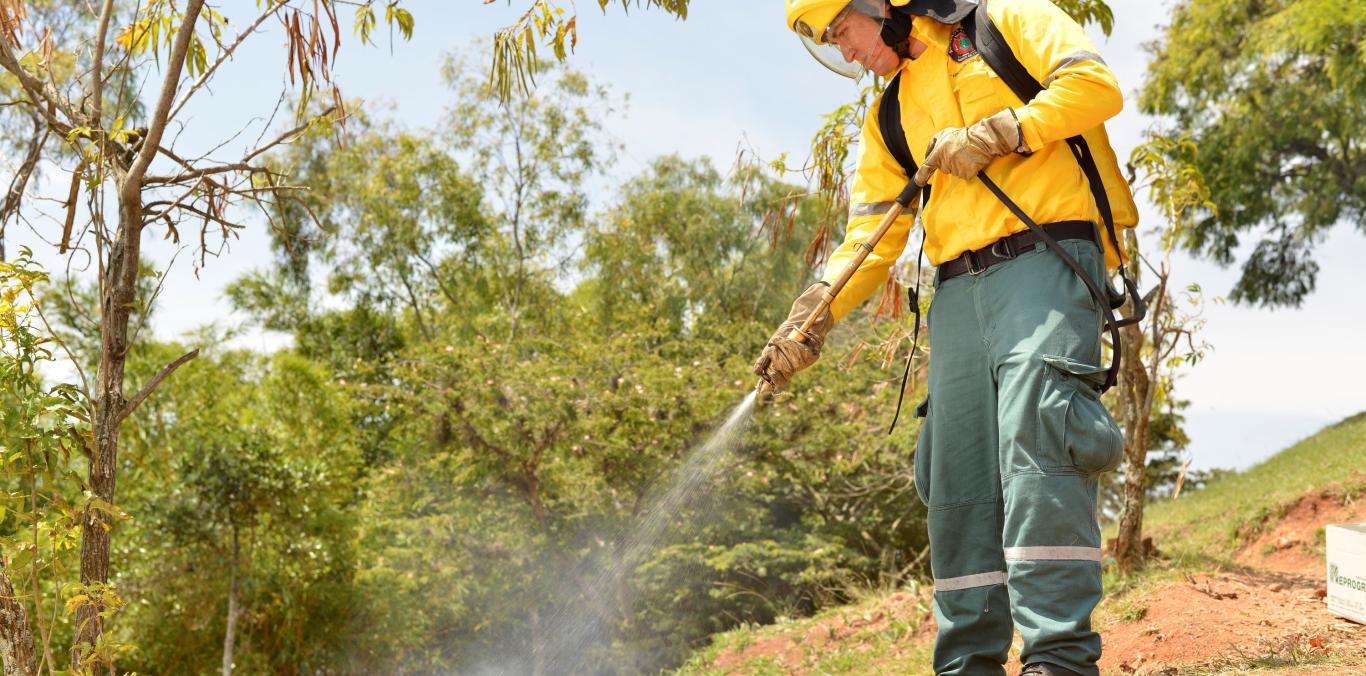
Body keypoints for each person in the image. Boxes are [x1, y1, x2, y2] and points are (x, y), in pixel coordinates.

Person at [753, 1, 1138, 674]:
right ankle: (966, 662)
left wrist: (1004, 131)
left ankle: (1060, 656)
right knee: (955, 476)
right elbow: (869, 237)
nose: (846, 53)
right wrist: (813, 314)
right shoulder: (890, 114)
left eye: (844, 33)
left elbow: (1096, 86)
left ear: (878, 5)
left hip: (1045, 259)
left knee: (1040, 444)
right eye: (833, 44)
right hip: (957, 292)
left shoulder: (1002, 18)